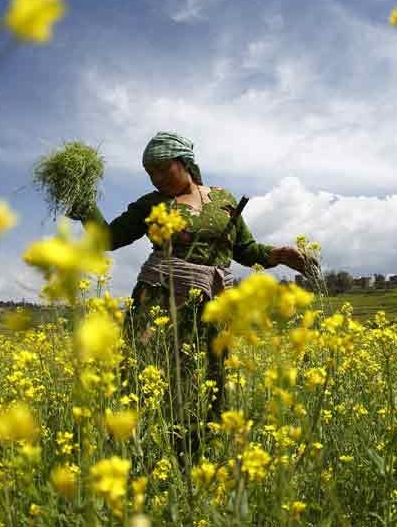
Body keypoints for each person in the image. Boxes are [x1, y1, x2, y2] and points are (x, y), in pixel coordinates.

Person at [69, 131, 307, 455]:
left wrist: (277, 255)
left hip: (211, 307)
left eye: (163, 169)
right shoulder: (152, 204)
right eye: (150, 173)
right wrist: (84, 203)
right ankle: (133, 456)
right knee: (144, 376)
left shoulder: (224, 200)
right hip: (159, 302)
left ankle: (195, 459)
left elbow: (245, 249)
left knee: (207, 381)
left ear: (185, 163)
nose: (157, 178)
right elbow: (108, 239)